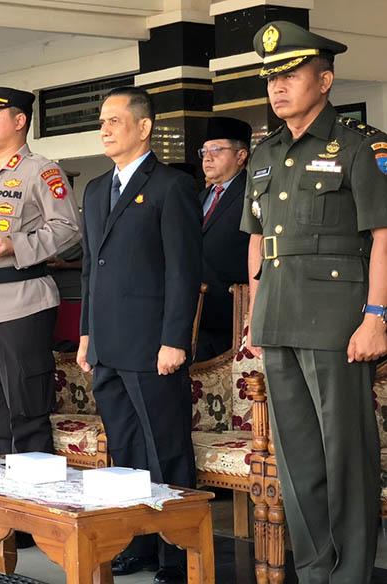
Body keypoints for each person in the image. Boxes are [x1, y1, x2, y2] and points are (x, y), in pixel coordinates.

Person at [242, 21, 387, 584]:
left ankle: (351, 574)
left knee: (344, 454)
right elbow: (258, 240)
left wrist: (376, 318)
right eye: (271, 78)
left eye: (290, 75)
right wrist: (254, 314)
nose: (277, 87)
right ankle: (313, 570)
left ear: (324, 81)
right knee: (297, 457)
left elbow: (383, 236)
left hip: (336, 322)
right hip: (278, 317)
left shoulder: (361, 145)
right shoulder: (265, 153)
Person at [76, 87, 201, 584]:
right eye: (101, 122)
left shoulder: (171, 186)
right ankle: (138, 544)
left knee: (165, 449)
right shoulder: (94, 189)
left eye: (114, 121)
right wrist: (86, 335)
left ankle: (178, 554)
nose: (104, 129)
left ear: (144, 128)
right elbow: (90, 270)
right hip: (107, 345)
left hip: (152, 345)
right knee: (126, 451)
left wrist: (175, 339)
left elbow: (182, 271)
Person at [0, 86, 81, 459]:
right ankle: (1, 487)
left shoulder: (40, 170)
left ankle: (32, 488)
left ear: (19, 121)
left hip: (20, 302)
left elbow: (68, 227)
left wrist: (17, 245)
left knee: (26, 410)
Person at [195, 117, 252, 361]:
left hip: (232, 312)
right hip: (197, 313)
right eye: (204, 151)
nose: (207, 158)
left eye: (217, 150)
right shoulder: (201, 197)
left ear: (241, 156)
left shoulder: (252, 193)